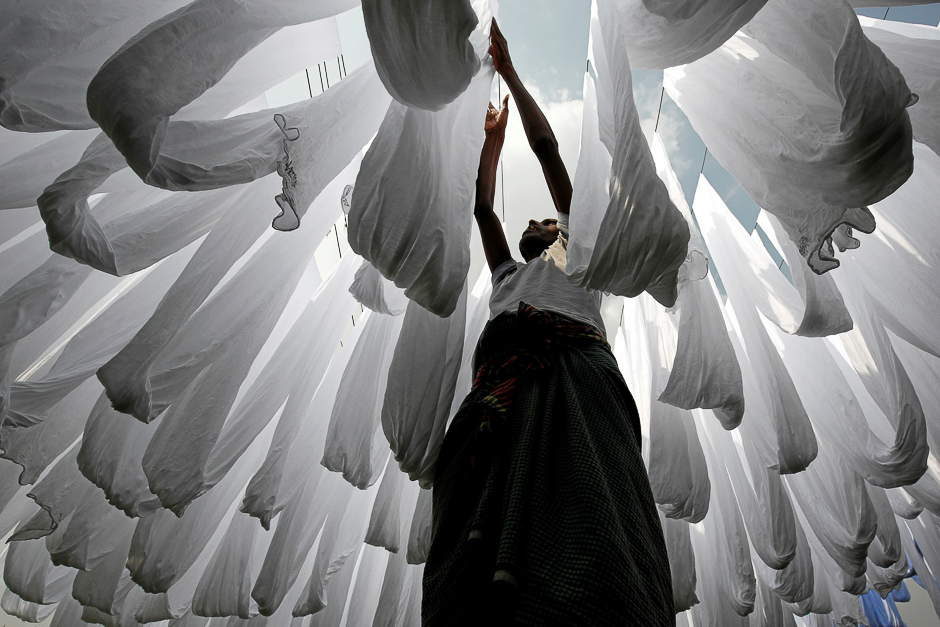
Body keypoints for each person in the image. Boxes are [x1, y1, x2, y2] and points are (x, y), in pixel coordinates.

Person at [422, 19, 675, 627]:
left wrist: (510, 71)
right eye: (533, 222)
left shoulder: (580, 258)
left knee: (586, 512)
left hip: (576, 382)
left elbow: (550, 152)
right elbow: (483, 209)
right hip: (499, 393)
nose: (533, 223)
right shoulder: (508, 278)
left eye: (545, 220)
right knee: (469, 531)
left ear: (563, 231)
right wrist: (489, 141)